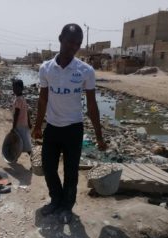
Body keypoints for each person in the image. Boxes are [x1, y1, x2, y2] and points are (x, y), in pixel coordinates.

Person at [32, 23, 107, 224]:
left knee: (71, 172)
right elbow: (42, 99)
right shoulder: (46, 68)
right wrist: (38, 125)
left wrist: (99, 136)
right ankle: (56, 200)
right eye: (70, 42)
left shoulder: (86, 71)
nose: (74, 47)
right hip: (53, 127)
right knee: (48, 167)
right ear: (60, 39)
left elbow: (92, 105)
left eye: (78, 43)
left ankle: (67, 207)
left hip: (74, 128)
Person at [12, 79, 32, 158]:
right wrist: (29, 122)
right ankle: (15, 157)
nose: (14, 89)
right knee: (19, 141)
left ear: (21, 88)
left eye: (16, 88)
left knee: (26, 145)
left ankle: (33, 160)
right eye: (13, 87)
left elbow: (16, 114)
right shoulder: (22, 98)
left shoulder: (18, 100)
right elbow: (27, 111)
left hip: (19, 125)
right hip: (24, 124)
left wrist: (13, 127)